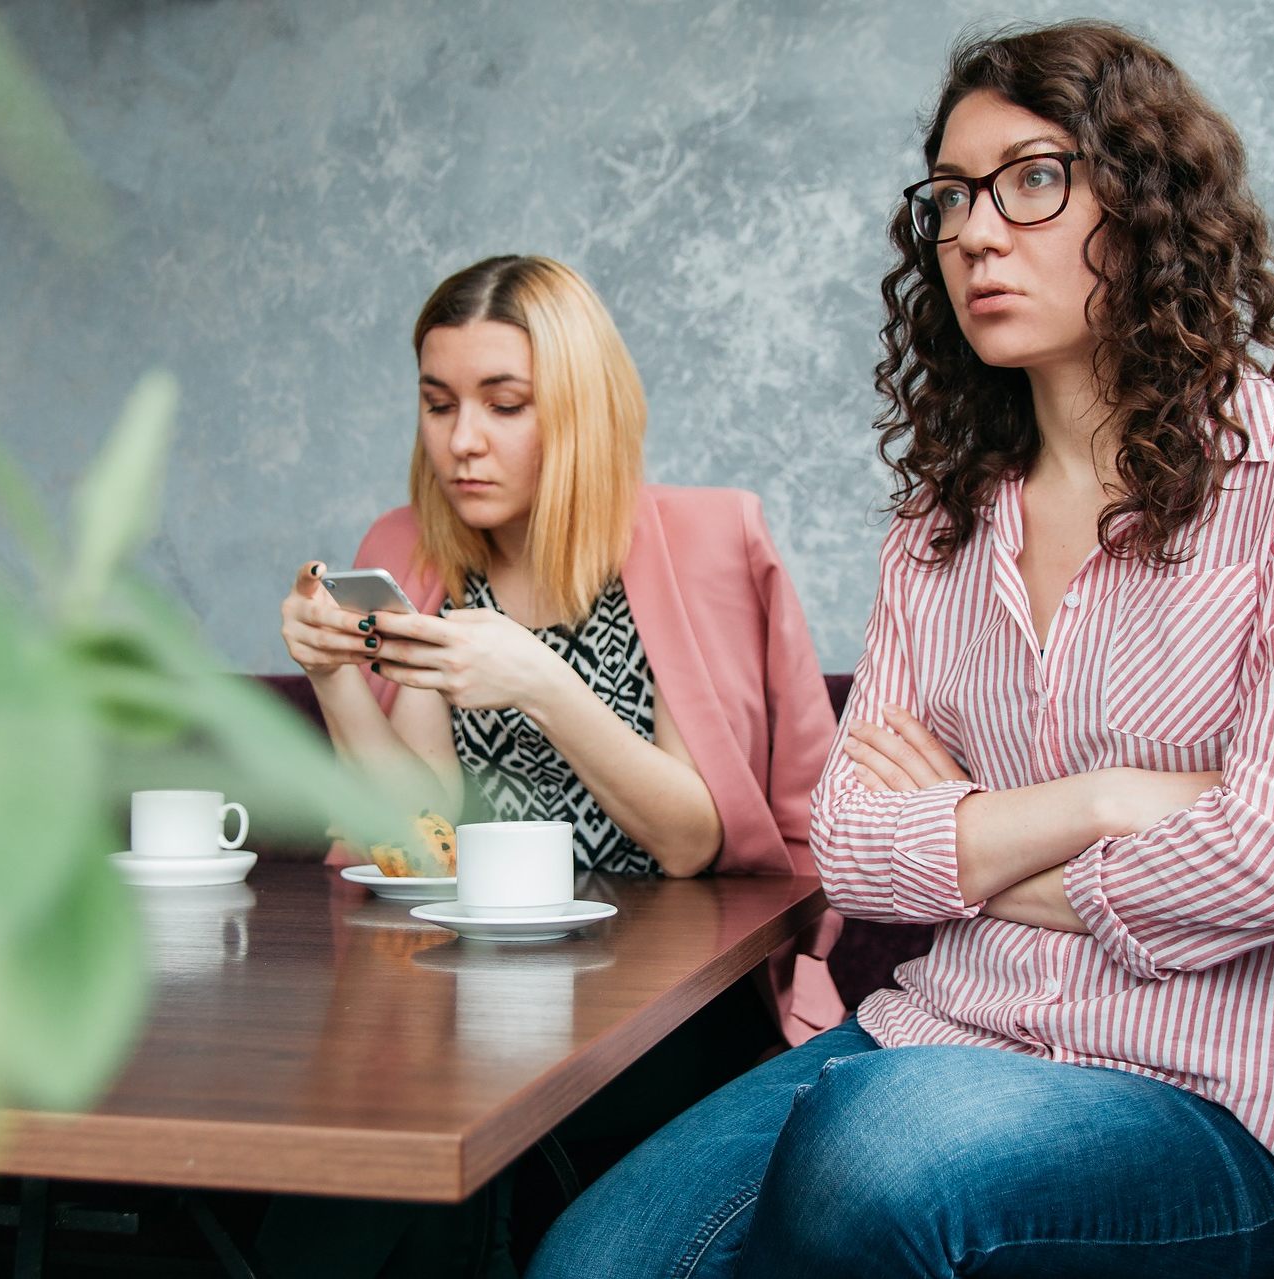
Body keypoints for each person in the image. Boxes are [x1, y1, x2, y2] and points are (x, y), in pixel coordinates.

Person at [528, 20, 1274, 1279]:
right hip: (937, 1031)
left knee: (878, 1154)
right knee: (585, 1262)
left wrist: (968, 836)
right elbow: (851, 849)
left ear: (1148, 202)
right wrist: (1103, 803)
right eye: (951, 198)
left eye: (1033, 180)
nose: (978, 232)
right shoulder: (939, 523)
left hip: (1210, 1104)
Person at [264, 254, 844, 1277]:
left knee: (426, 1137)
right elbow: (420, 828)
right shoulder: (407, 548)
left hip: (664, 997)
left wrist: (537, 679)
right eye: (438, 404)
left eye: (504, 403)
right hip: (459, 988)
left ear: (577, 408)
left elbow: (690, 838)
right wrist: (340, 680)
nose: (461, 441)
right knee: (380, 1133)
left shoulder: (699, 541)